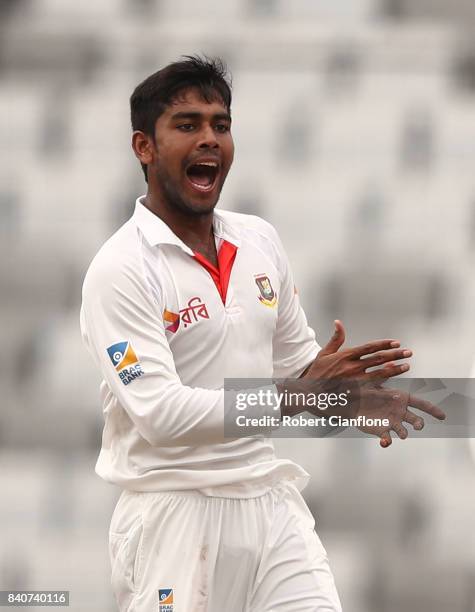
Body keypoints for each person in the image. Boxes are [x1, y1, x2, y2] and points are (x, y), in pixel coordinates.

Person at [80, 55, 445, 612]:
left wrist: (352, 401)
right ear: (143, 147)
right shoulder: (121, 270)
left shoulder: (259, 241)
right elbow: (160, 414)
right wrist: (297, 395)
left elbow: (298, 370)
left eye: (220, 126)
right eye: (187, 125)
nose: (209, 139)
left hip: (269, 503)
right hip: (173, 515)